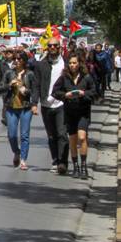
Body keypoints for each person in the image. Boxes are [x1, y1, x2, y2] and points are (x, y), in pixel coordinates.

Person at [53, 54, 96, 180]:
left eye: (74, 63)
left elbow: (94, 92)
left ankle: (84, 166)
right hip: (70, 112)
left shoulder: (86, 77)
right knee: (72, 139)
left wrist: (84, 93)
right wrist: (65, 95)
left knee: (82, 137)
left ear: (79, 64)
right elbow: (55, 92)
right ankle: (76, 166)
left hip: (83, 112)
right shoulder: (64, 78)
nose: (72, 65)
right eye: (70, 63)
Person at [33, 38, 70, 175]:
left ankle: (62, 162)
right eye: (50, 46)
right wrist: (34, 103)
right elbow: (36, 84)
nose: (53, 47)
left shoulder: (66, 63)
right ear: (47, 48)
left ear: (60, 47)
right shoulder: (41, 65)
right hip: (46, 104)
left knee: (62, 134)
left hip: (61, 103)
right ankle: (55, 160)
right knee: (51, 136)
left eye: (55, 45)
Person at [0, 51, 37, 170]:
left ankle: (23, 160)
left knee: (24, 135)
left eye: (19, 59)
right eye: (15, 58)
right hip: (11, 108)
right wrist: (9, 85)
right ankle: (16, 151)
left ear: (24, 61)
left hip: (25, 108)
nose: (17, 61)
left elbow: (35, 90)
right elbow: (0, 88)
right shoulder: (9, 73)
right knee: (11, 134)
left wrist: (25, 91)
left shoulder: (30, 74)